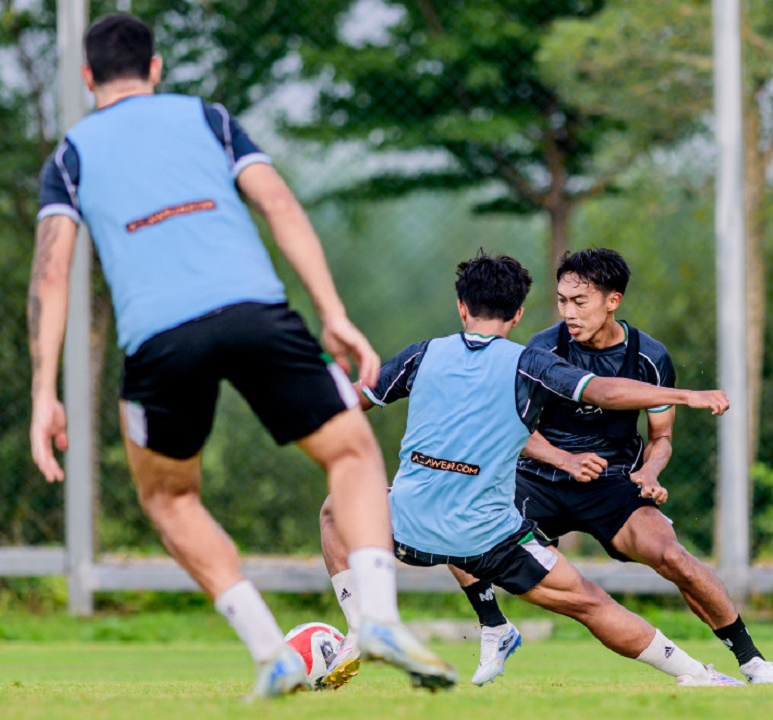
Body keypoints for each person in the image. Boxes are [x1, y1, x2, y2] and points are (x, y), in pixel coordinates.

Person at [27, 13, 456, 700]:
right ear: (156, 69)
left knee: (168, 498)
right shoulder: (208, 119)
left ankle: (269, 649)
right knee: (351, 453)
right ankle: (377, 616)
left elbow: (51, 274)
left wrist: (43, 391)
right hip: (256, 313)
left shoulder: (69, 156)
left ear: (86, 79)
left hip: (159, 341)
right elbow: (279, 204)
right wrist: (334, 313)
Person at [317, 252, 745, 690]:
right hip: (488, 538)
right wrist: (684, 396)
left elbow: (354, 400)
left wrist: (295, 392)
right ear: (518, 314)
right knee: (592, 604)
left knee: (335, 508)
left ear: (461, 307)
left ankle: (363, 626)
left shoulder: (422, 355)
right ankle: (698, 674)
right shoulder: (528, 364)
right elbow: (605, 392)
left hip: (410, 527)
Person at [445, 249, 773, 685]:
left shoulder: (649, 358)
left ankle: (751, 659)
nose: (568, 311)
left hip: (611, 484)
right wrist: (564, 458)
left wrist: (649, 473)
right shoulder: (542, 348)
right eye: (563, 300)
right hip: (540, 479)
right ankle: (494, 625)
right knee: (461, 521)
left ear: (612, 301)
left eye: (579, 302)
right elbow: (515, 431)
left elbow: (661, 439)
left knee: (672, 556)